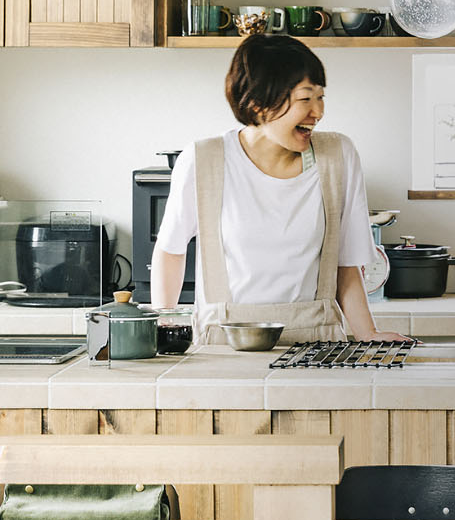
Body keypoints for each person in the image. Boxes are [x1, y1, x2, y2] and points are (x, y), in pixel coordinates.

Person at [152, 34, 405, 344]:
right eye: (305, 98)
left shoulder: (338, 156)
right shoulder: (204, 159)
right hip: (224, 347)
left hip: (316, 347)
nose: (318, 111)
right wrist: (160, 329)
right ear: (259, 103)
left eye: (321, 96)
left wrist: (368, 334)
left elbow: (347, 266)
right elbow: (170, 250)